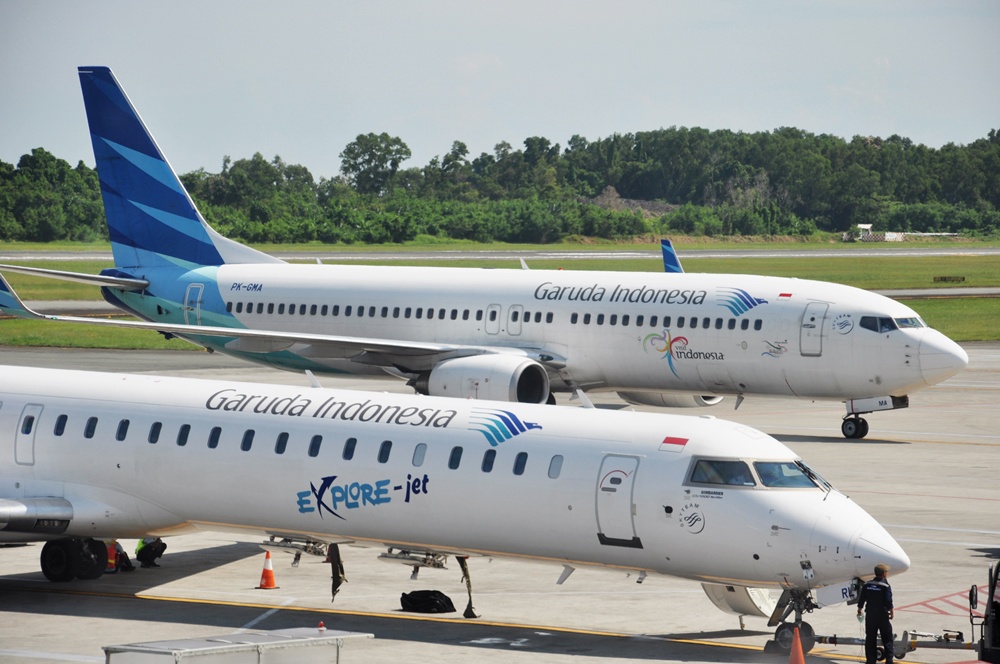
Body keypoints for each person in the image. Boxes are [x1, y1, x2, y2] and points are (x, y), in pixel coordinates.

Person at [857, 563, 894, 664]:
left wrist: (859, 610)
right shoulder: (885, 586)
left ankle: (871, 661)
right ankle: (889, 661)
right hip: (882, 616)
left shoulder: (867, 585)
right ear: (884, 574)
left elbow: (862, 599)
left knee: (870, 639)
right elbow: (888, 601)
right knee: (887, 639)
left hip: (871, 616)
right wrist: (891, 611)